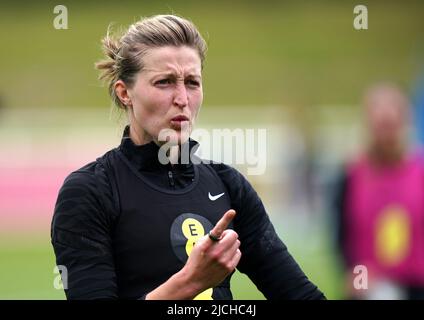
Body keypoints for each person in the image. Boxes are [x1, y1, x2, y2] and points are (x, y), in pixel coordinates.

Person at [51, 14, 325, 300]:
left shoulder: (228, 185)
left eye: (192, 82)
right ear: (124, 93)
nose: (182, 98)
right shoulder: (90, 191)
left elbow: (298, 293)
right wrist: (190, 282)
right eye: (164, 82)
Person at [333, 83, 424, 299]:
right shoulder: (351, 175)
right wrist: (357, 278)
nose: (386, 136)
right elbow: (342, 238)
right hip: (369, 284)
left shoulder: (419, 173)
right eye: (380, 126)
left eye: (391, 125)